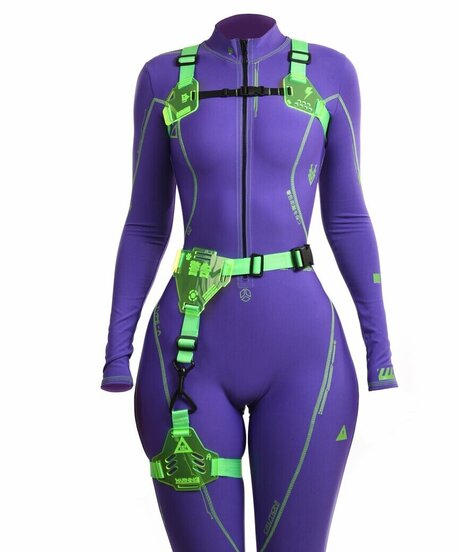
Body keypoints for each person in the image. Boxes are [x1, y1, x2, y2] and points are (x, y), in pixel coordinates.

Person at [101, 12, 398, 551]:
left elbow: (348, 218)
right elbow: (145, 224)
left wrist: (381, 351)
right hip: (187, 355)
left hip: (306, 359)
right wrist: (115, 353)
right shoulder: (161, 79)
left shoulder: (331, 74)